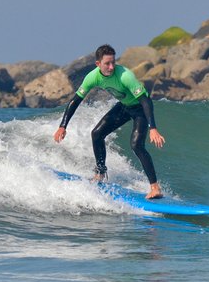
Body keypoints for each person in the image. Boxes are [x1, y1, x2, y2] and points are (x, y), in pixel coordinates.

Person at [53, 44, 166, 199]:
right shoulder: (92, 77)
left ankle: (155, 188)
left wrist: (152, 127)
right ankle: (100, 173)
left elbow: (145, 101)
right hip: (124, 106)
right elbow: (76, 100)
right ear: (98, 64)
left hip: (140, 108)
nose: (111, 66)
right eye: (107, 63)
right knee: (97, 134)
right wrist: (62, 126)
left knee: (136, 145)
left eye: (113, 62)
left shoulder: (125, 75)